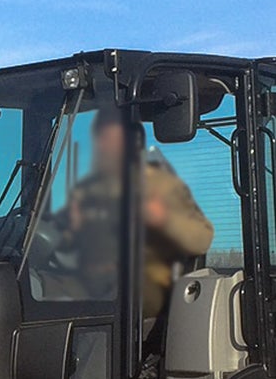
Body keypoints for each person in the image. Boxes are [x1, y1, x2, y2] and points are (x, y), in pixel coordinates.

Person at [64, 107, 213, 319]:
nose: (106, 147)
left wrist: (164, 219)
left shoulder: (160, 184)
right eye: (102, 140)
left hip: (145, 282)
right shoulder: (87, 189)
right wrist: (73, 228)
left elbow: (202, 238)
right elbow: (62, 245)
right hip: (89, 277)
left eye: (113, 140)